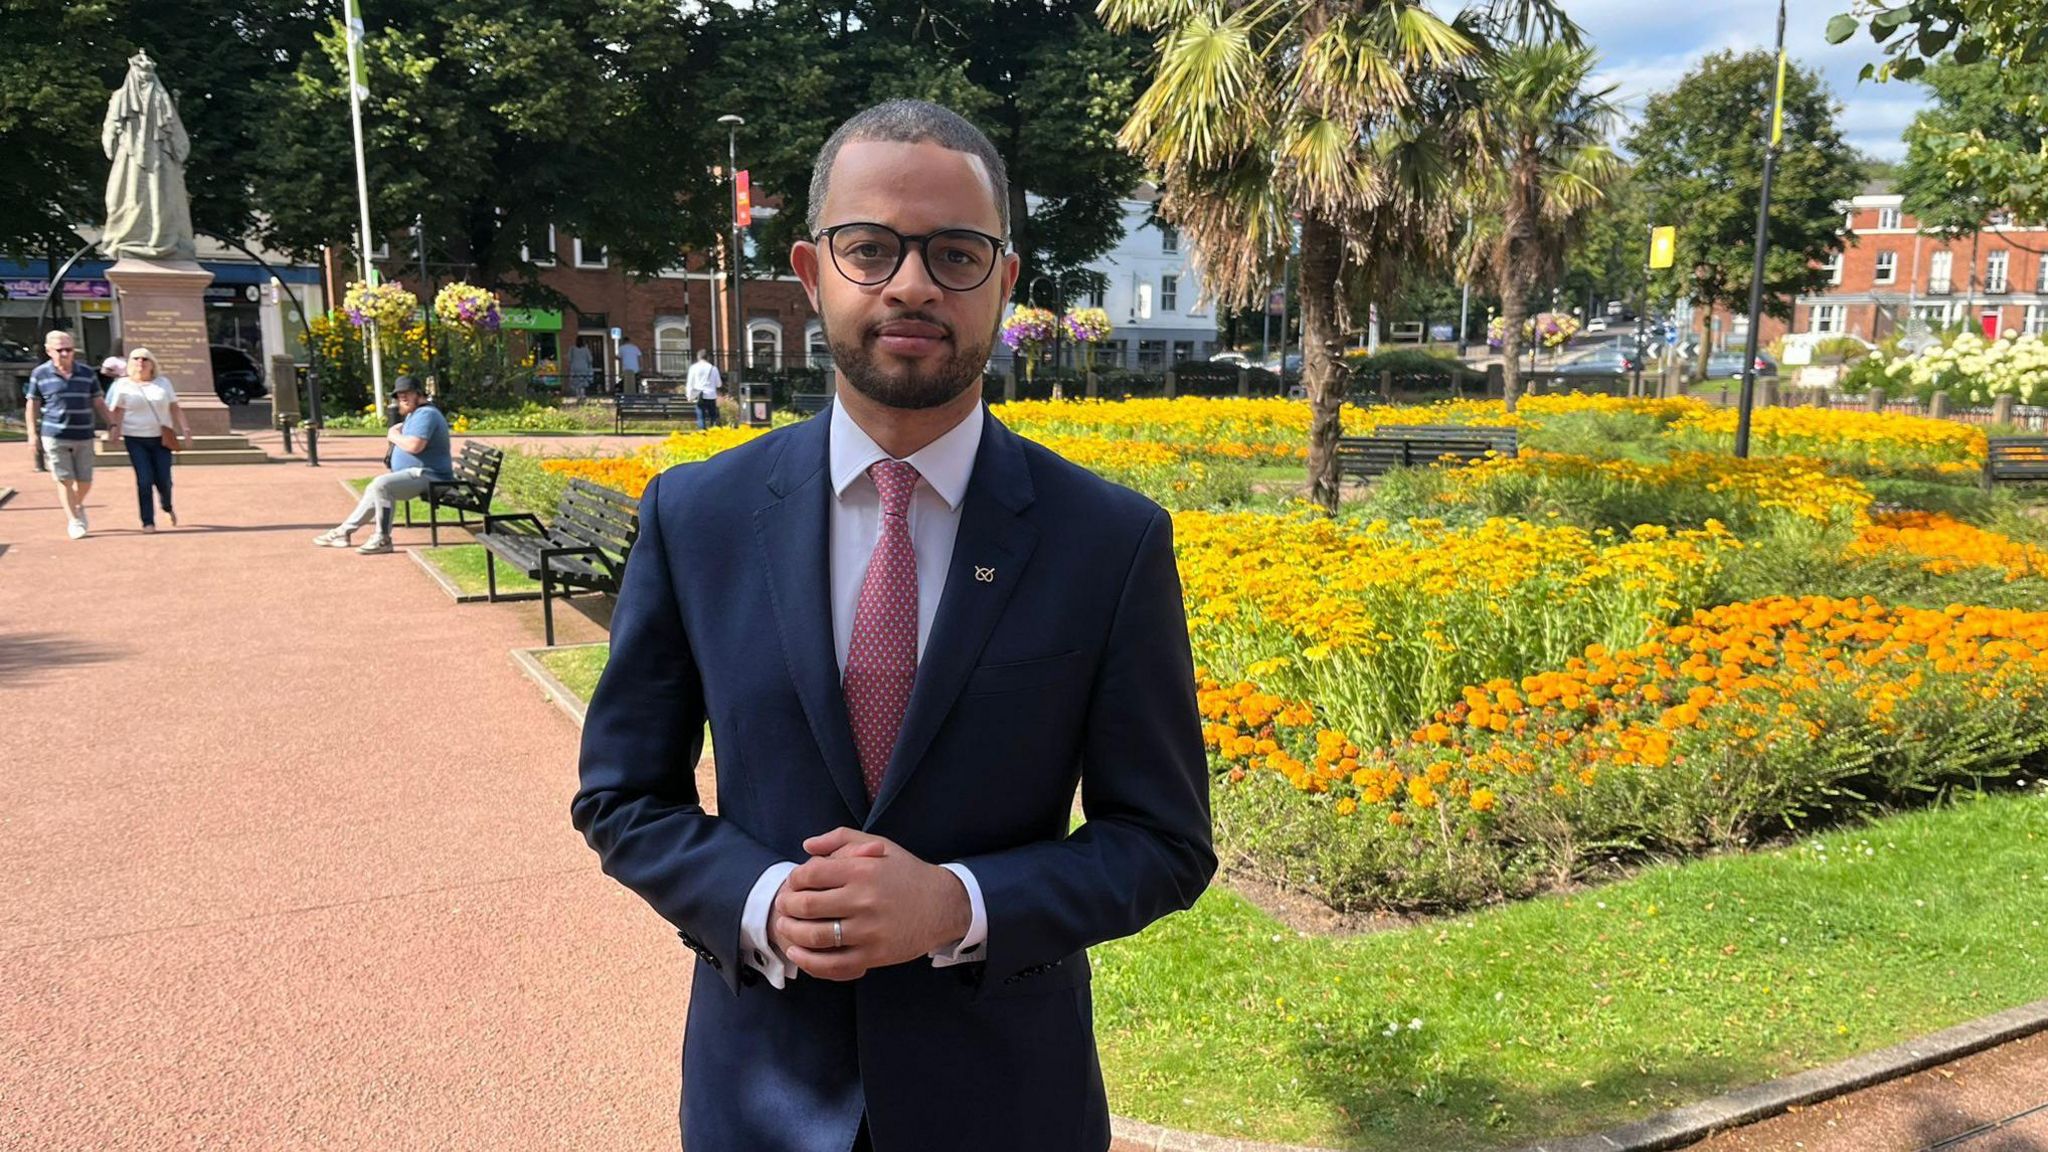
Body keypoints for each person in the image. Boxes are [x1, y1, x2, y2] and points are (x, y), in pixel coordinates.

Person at [573, 99, 1214, 1152]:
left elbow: (1163, 842)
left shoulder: (1108, 540)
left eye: (955, 253)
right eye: (869, 248)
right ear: (810, 268)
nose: (911, 283)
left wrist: (957, 905)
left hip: (1007, 1106)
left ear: (1004, 284)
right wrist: (759, 898)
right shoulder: (700, 516)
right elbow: (620, 795)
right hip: (759, 1098)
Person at [312, 375, 451, 555]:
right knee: (374, 488)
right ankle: (343, 532)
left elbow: (415, 446)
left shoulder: (426, 414)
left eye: (407, 394)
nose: (402, 399)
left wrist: (392, 435)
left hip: (431, 476)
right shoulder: (416, 414)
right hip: (418, 474)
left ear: (419, 394)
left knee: (381, 484)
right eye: (399, 396)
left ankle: (382, 538)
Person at [24, 330, 116, 539]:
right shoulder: (40, 374)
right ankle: (74, 520)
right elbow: (33, 404)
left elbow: (98, 401)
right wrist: (32, 433)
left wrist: (112, 423)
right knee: (64, 479)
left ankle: (77, 503)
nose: (65, 353)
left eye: (69, 349)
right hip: (54, 434)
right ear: (49, 351)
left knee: (85, 480)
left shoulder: (86, 373)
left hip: (83, 433)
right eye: (60, 350)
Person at [102, 347, 189, 532]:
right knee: (144, 480)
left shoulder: (163, 383)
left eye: (144, 359)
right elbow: (117, 410)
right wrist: (114, 429)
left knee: (164, 480)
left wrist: (185, 429)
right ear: (130, 363)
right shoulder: (122, 384)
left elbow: (174, 407)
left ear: (152, 364)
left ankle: (167, 506)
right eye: (135, 359)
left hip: (161, 439)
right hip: (135, 438)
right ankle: (147, 521)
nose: (140, 362)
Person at [685, 347, 722, 429]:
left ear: (698, 357)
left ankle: (702, 433)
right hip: (711, 395)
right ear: (707, 357)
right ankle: (715, 432)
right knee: (713, 416)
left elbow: (690, 383)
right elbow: (719, 384)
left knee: (701, 417)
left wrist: (689, 395)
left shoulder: (693, 368)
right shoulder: (713, 368)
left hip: (700, 395)